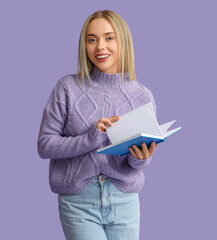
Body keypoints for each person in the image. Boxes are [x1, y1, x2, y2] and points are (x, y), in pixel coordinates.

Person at [37, 9, 158, 240]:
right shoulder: (66, 88)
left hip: (125, 201)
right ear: (84, 46)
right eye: (92, 39)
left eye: (109, 38)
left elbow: (136, 162)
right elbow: (45, 145)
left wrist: (141, 157)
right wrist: (91, 137)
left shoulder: (143, 95)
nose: (100, 46)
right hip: (79, 202)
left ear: (123, 42)